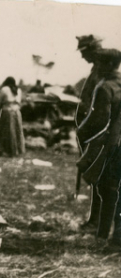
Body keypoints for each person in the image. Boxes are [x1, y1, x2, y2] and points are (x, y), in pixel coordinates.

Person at [75, 49, 121, 247]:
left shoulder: (105, 87)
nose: (97, 68)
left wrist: (81, 132)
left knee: (107, 188)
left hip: (114, 145)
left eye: (101, 64)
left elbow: (98, 120)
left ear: (109, 65)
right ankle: (117, 236)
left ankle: (102, 235)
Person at [74, 35, 104, 230]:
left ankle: (98, 221)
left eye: (84, 52)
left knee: (100, 177)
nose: (83, 57)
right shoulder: (96, 70)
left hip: (98, 132)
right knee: (96, 178)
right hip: (91, 130)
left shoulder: (104, 72)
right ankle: (95, 219)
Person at [0, 77, 25, 157]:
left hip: (7, 112)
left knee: (6, 131)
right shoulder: (18, 90)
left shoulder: (4, 89)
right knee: (16, 131)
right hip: (17, 112)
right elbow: (19, 101)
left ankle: (3, 150)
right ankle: (16, 150)